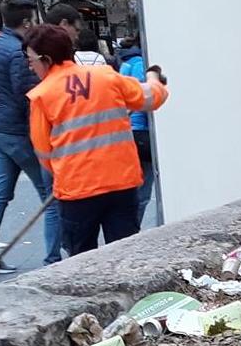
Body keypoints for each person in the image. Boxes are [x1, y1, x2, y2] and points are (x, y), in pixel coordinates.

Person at [24, 23, 167, 255]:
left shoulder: (42, 96)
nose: (30, 67)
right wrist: (154, 78)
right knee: (124, 257)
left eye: (31, 60)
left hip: (77, 191)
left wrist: (65, 174)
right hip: (121, 184)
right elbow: (151, 98)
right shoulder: (106, 77)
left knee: (82, 262)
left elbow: (44, 153)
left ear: (46, 59)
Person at [0, 0, 63, 272]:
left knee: (0, 192)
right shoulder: (17, 52)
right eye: (34, 20)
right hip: (19, 133)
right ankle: (54, 260)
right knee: (51, 197)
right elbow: (27, 96)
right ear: (26, 22)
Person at [117, 38, 157, 222]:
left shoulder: (126, 64)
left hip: (127, 131)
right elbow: (146, 99)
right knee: (143, 192)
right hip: (142, 133)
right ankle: (133, 229)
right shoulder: (142, 65)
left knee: (132, 188)